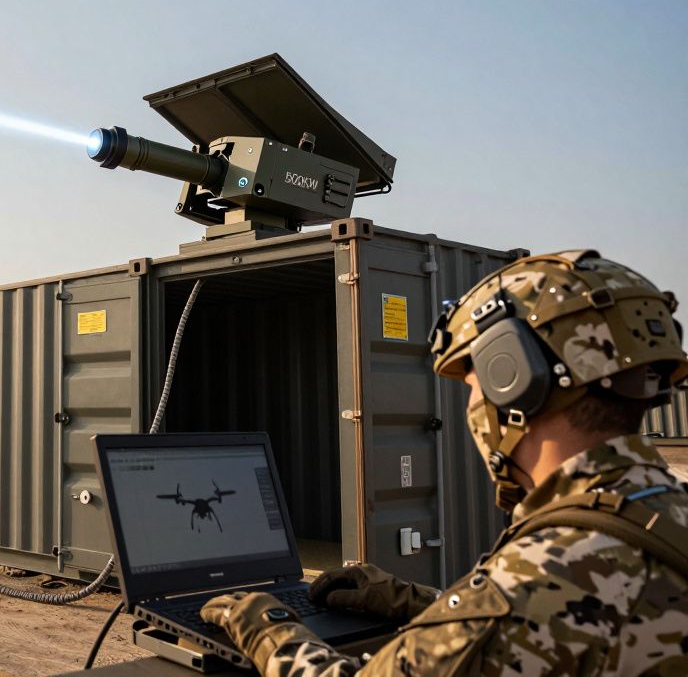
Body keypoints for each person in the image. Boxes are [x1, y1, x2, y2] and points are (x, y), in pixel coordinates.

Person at [200, 250, 688, 675]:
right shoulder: (659, 512)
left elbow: (522, 619)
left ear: (515, 383)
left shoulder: (544, 573)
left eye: (473, 386)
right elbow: (538, 633)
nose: (472, 405)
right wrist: (420, 604)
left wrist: (269, 630)